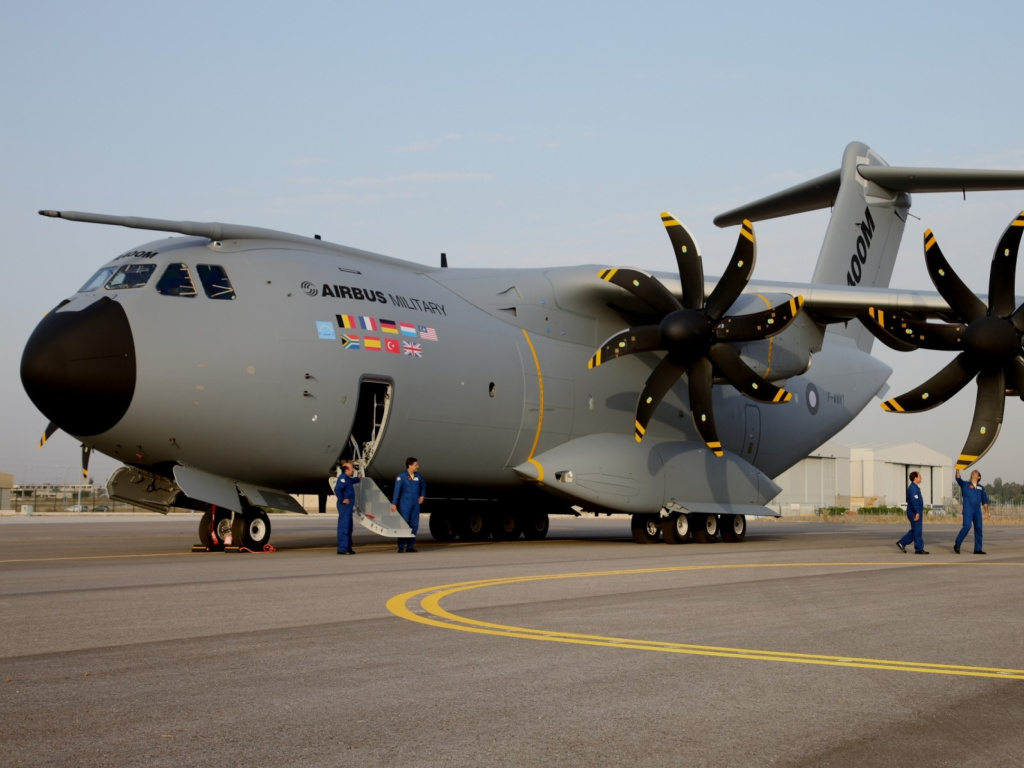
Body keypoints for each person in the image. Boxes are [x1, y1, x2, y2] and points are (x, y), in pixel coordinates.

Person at [391, 457, 425, 553]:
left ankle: (410, 546)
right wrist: (394, 503)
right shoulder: (401, 477)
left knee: (414, 525)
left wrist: (422, 495)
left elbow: (423, 486)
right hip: (405, 505)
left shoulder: (418, 476)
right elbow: (396, 491)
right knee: (404, 525)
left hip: (415, 505)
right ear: (410, 466)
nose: (418, 466)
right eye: (416, 465)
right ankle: (401, 546)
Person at [954, 467, 989, 555]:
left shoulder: (981, 488)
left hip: (977, 510)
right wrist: (957, 469)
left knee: (979, 528)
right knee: (967, 526)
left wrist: (987, 511)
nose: (974, 472)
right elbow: (958, 478)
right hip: (968, 509)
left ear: (979, 477)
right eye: (973, 472)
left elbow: (984, 500)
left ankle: (978, 549)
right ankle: (957, 544)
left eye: (976, 472)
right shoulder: (965, 484)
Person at [896, 471, 928, 554]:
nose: (921, 478)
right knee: (917, 531)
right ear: (915, 478)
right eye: (920, 476)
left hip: (915, 511)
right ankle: (918, 549)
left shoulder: (914, 487)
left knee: (915, 530)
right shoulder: (913, 488)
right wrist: (917, 512)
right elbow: (914, 501)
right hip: (914, 512)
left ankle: (902, 543)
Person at [334, 462, 360, 554]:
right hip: (344, 506)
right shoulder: (343, 478)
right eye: (351, 468)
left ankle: (348, 547)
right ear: (346, 470)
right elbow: (337, 489)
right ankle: (342, 549)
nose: (353, 469)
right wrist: (342, 500)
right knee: (344, 527)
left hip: (348, 507)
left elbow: (353, 481)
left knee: (349, 527)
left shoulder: (348, 479)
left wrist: (358, 478)